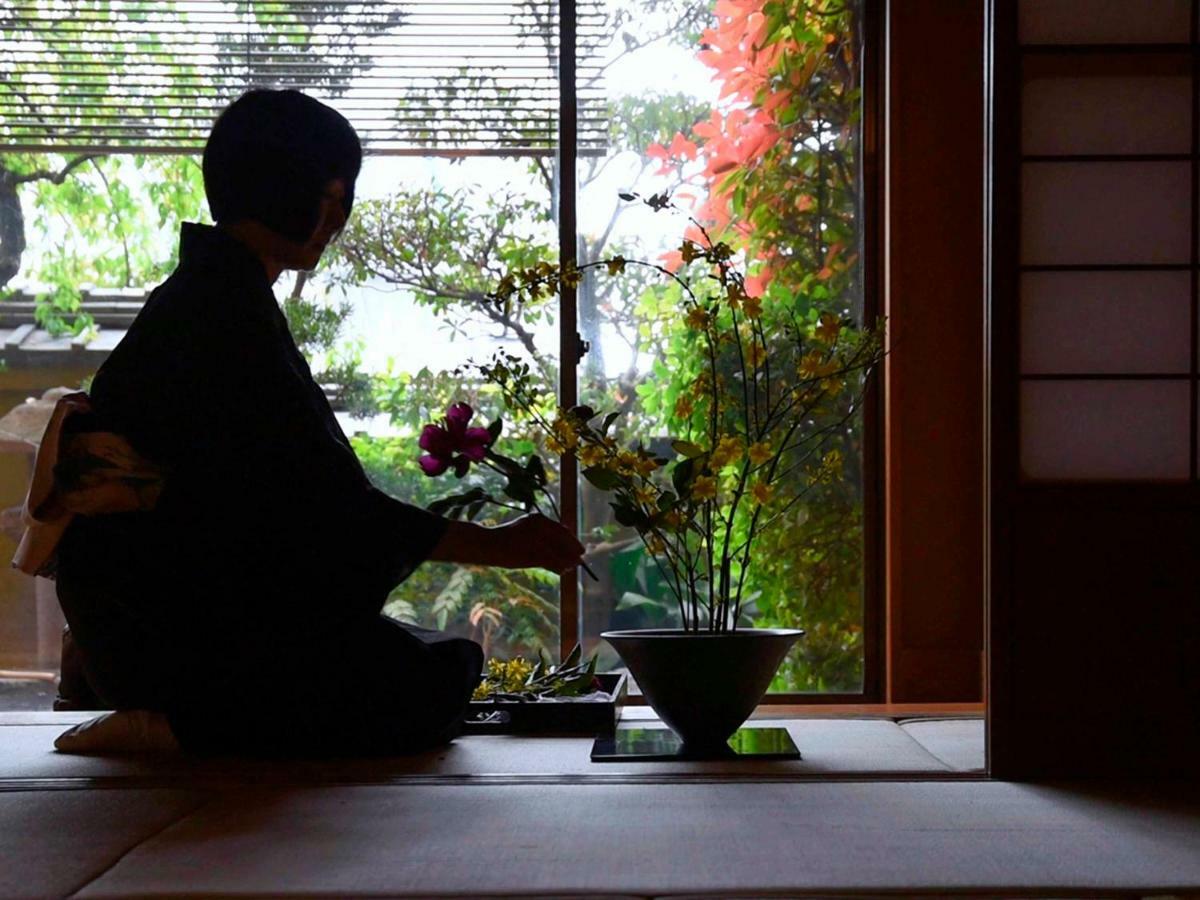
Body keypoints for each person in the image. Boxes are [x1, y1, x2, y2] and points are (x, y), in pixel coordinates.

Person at [49, 89, 584, 756]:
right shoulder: (221, 317)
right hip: (172, 630)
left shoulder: (216, 298)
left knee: (438, 660)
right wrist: (499, 545)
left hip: (149, 617)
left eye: (343, 195)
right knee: (421, 685)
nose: (337, 215)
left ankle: (147, 696)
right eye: (326, 193)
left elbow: (286, 515)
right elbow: (323, 513)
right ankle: (179, 723)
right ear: (274, 185)